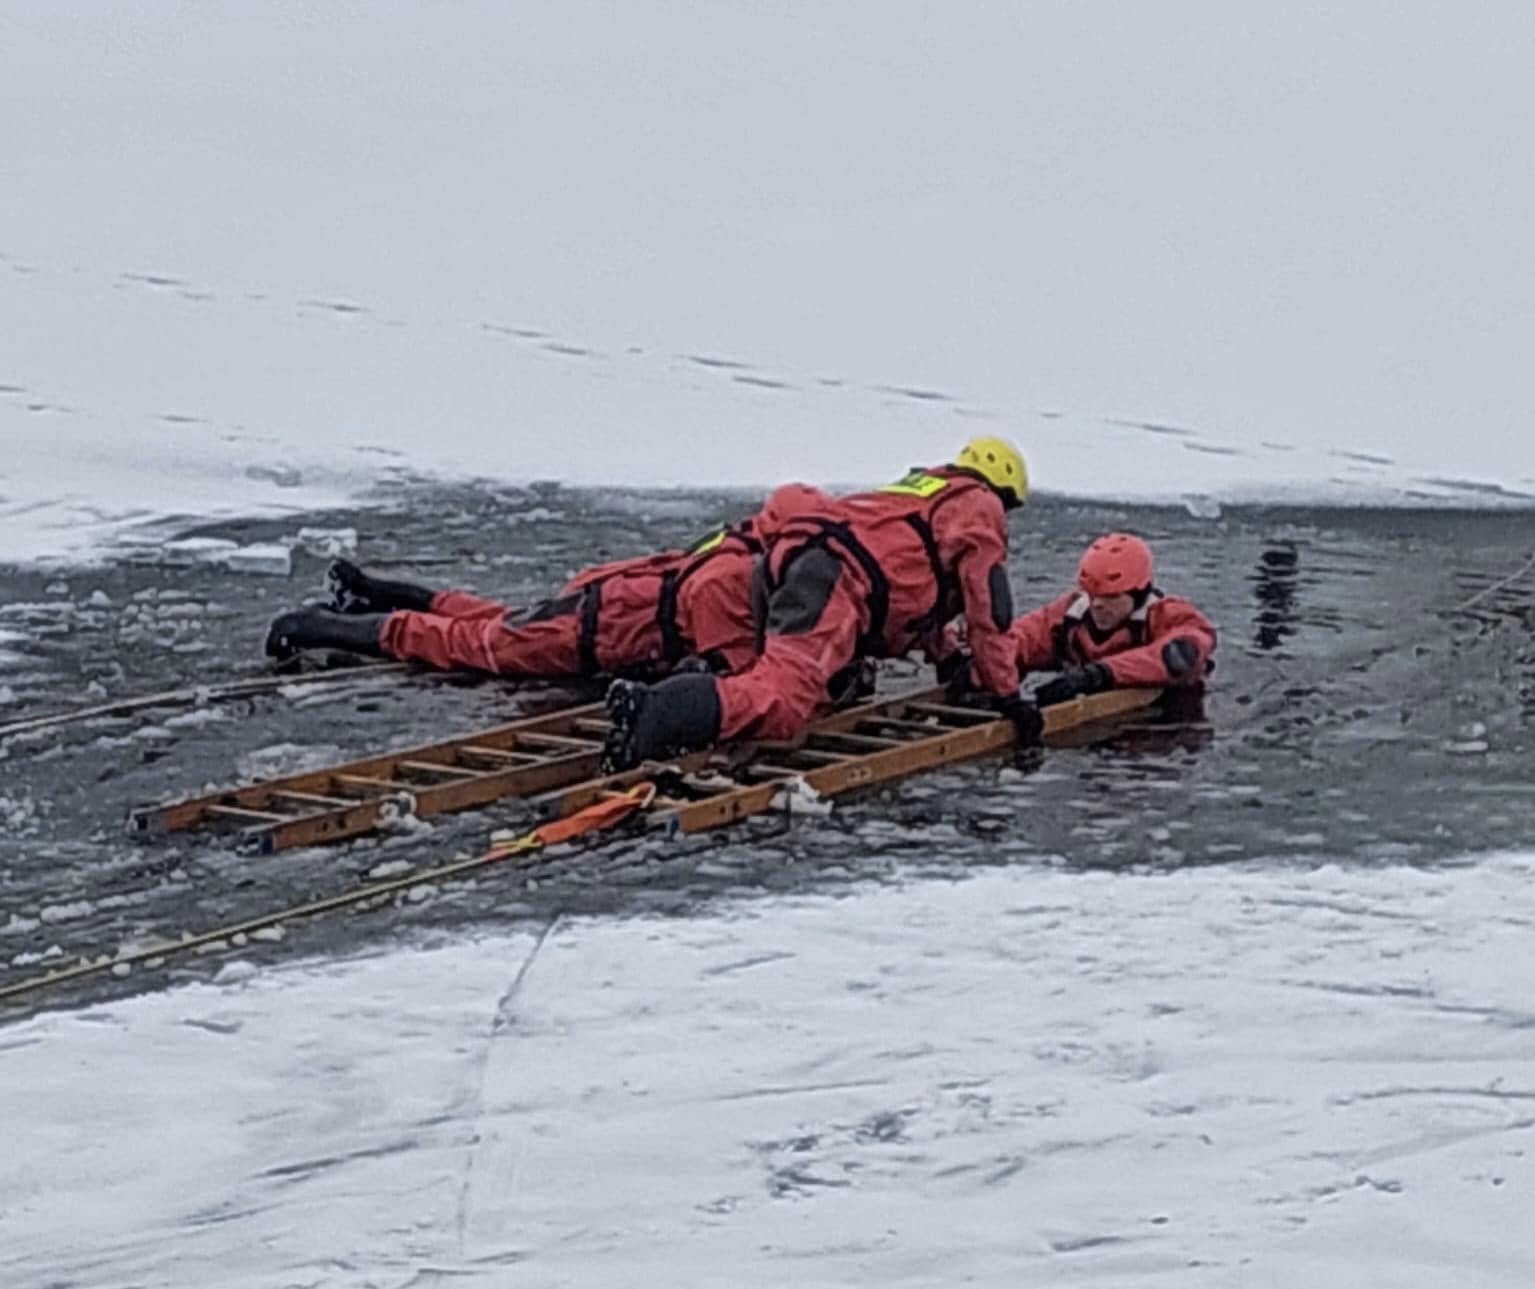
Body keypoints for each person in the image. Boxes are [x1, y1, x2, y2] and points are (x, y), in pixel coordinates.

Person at [602, 436, 1041, 770]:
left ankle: (687, 700)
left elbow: (909, 580)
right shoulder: (979, 507)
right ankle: (655, 711)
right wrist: (1008, 696)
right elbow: (990, 613)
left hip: (801, 559)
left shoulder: (922, 492)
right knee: (785, 698)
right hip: (833, 576)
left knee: (803, 689)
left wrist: (946, 655)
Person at [262, 483, 836, 680]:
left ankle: (375, 592)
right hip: (600, 628)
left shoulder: (740, 548)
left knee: (493, 620)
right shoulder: (731, 579)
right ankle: (320, 626)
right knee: (476, 645)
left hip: (607, 605)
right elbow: (730, 667)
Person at [1007, 532, 1217, 705]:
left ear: (1138, 594)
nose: (1097, 604)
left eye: (1111, 597)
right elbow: (1019, 639)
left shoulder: (1170, 616)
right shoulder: (1070, 614)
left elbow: (1182, 653)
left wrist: (1099, 674)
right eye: (1092, 594)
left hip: (1168, 719)